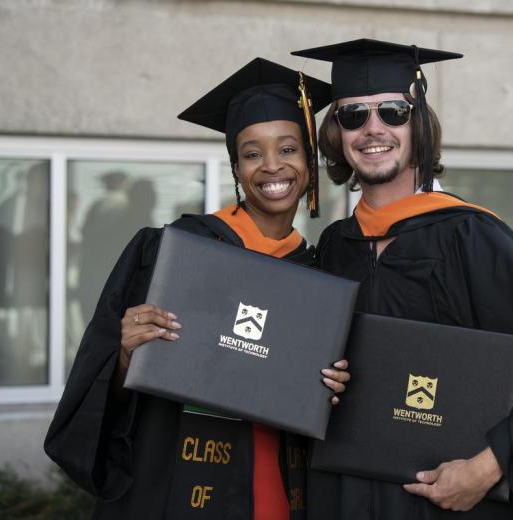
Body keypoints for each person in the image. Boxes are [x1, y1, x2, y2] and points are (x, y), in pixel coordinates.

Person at [293, 38, 513, 520]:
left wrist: (490, 466)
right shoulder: (335, 246)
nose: (372, 129)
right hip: (346, 496)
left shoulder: (472, 236)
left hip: (445, 504)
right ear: (335, 134)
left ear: (419, 123)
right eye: (352, 115)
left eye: (392, 112)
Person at [45, 58, 349, 520]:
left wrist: (335, 384)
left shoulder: (320, 276)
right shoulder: (174, 253)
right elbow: (101, 393)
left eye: (288, 149)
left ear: (309, 161)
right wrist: (126, 356)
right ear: (235, 167)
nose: (271, 167)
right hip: (174, 488)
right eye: (252, 153)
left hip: (281, 490)